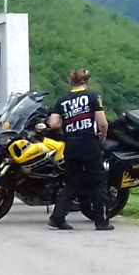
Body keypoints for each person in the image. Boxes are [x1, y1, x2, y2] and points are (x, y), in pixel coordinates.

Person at [46, 69, 114, 231]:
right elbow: (103, 123)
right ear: (86, 82)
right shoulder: (92, 97)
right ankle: (102, 221)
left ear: (72, 83)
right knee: (98, 181)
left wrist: (70, 124)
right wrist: (102, 136)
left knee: (72, 182)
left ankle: (57, 217)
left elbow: (54, 124)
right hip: (89, 142)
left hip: (70, 144)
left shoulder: (62, 100)